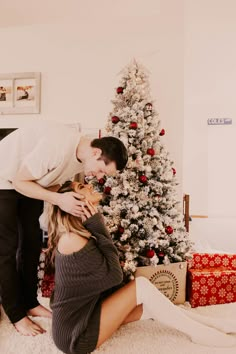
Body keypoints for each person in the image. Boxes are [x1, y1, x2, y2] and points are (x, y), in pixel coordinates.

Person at [47, 181, 236, 354]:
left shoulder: (82, 233)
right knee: (142, 286)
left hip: (88, 313)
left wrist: (96, 226)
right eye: (81, 187)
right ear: (74, 203)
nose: (89, 185)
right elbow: (114, 276)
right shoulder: (71, 239)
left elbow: (107, 280)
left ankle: (213, 325)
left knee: (151, 304)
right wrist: (98, 225)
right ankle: (203, 334)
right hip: (75, 334)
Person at [0, 120, 128, 337]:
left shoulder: (83, 158)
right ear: (96, 152)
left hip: (28, 181)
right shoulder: (57, 146)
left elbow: (50, 182)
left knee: (31, 243)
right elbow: (20, 182)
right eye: (100, 171)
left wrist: (65, 196)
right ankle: (16, 314)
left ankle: (30, 302)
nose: (98, 178)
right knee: (6, 249)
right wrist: (58, 199)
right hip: (4, 179)